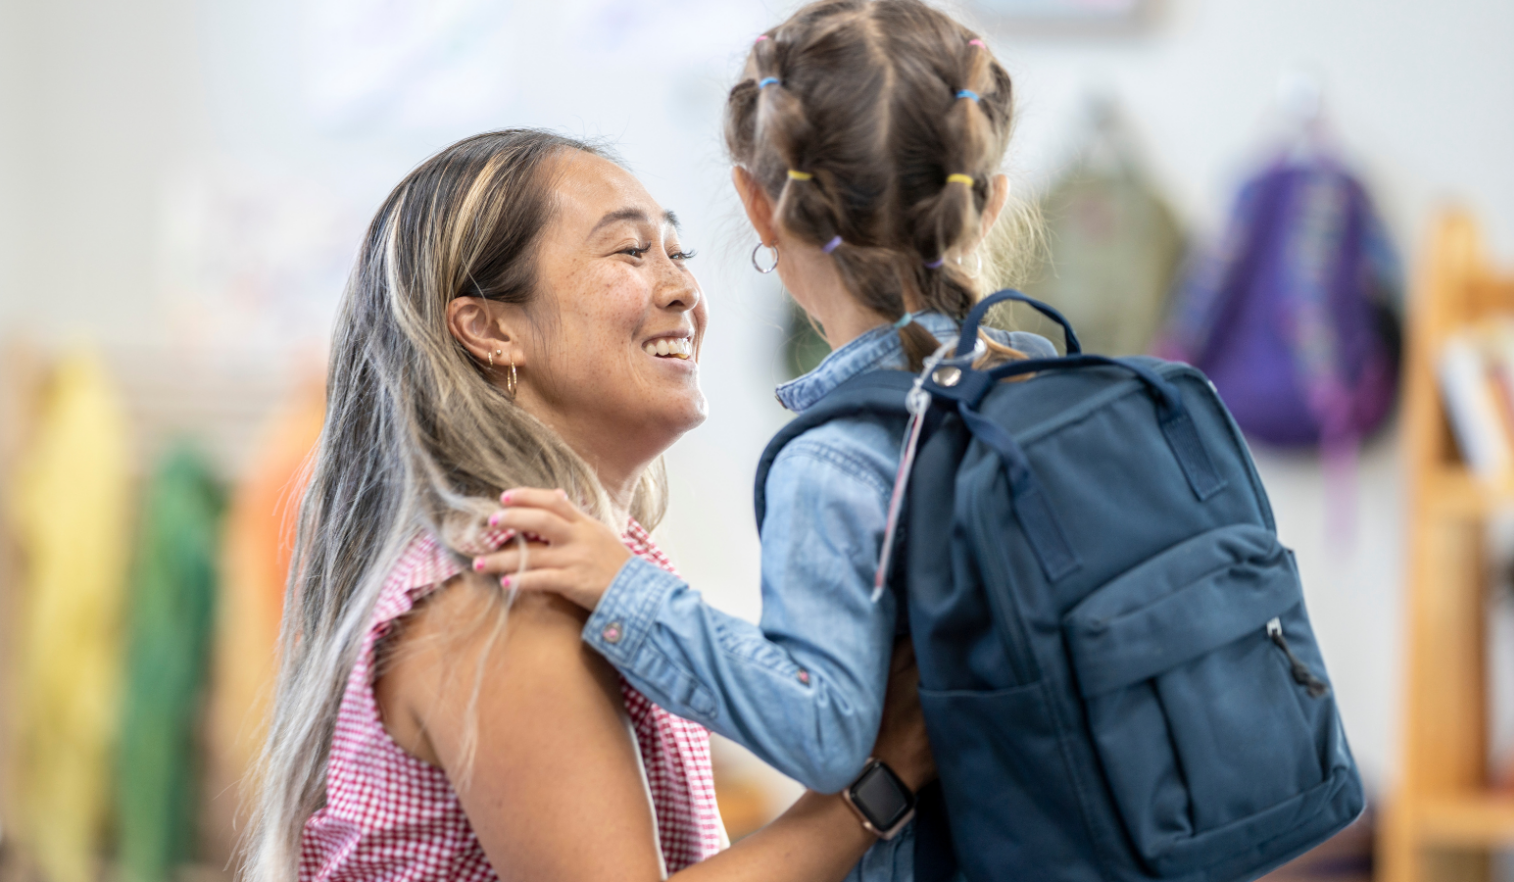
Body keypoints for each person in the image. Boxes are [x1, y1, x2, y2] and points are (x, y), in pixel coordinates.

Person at [242, 128, 933, 882]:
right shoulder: (503, 596)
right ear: (491, 328)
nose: (683, 292)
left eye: (678, 254)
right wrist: (879, 782)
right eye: (631, 253)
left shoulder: (593, 565)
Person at [476, 2, 1049, 879]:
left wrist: (626, 591)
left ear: (756, 203)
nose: (672, 283)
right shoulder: (1046, 383)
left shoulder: (837, 454)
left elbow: (824, 732)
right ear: (991, 197)